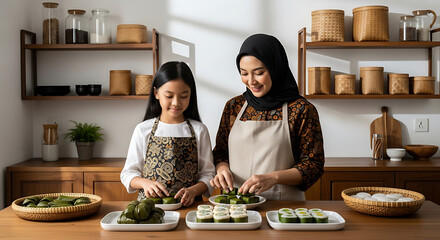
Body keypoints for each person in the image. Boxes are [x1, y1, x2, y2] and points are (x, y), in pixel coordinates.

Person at [210, 34, 324, 201]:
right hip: (235, 206)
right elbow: (220, 153)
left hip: (284, 208)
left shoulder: (301, 110)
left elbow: (313, 165)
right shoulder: (233, 107)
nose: (251, 81)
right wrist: (222, 170)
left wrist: (274, 178)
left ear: (275, 67)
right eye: (244, 73)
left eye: (259, 73)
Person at [121, 61, 215, 207]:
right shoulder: (143, 129)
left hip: (190, 207)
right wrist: (145, 183)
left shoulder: (199, 130)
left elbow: (208, 174)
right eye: (169, 96)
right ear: (156, 93)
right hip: (149, 208)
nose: (176, 102)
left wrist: (193, 191)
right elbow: (128, 173)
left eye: (184, 96)